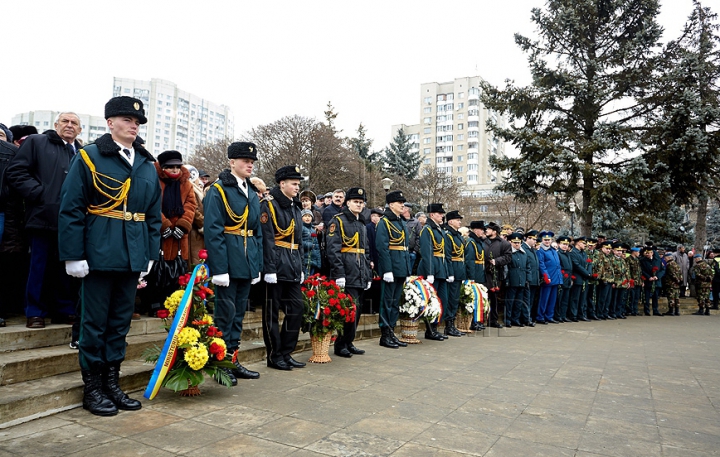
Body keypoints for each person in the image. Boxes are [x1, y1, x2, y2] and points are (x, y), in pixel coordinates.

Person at [58, 96, 161, 416]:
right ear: (110, 123)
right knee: (94, 325)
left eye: (138, 122)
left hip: (132, 256)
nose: (134, 125)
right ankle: (93, 388)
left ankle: (112, 384)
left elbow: (152, 215)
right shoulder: (90, 157)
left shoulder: (145, 162)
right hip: (99, 254)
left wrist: (149, 256)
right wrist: (73, 255)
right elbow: (71, 209)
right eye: (127, 120)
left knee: (118, 325)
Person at [7, 112, 83, 328]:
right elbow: (16, 172)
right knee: (38, 266)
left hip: (72, 222)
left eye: (74, 123)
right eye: (65, 121)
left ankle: (63, 309)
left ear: (80, 130)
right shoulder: (37, 142)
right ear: (56, 124)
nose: (69, 125)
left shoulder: (83, 153)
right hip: (42, 216)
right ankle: (34, 312)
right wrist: (40, 193)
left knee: (66, 267)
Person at [203, 141, 263, 385]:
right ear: (231, 162)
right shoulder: (219, 190)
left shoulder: (250, 191)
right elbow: (213, 231)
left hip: (246, 262)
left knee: (238, 316)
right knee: (224, 316)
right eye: (244, 161)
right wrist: (219, 268)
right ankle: (220, 364)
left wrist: (256, 265)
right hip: (228, 262)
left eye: (251, 162)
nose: (249, 165)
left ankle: (232, 359)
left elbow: (256, 232)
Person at [261, 165, 305, 370]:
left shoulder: (295, 207)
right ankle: (274, 355)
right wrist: (269, 269)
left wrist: (301, 266)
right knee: (271, 314)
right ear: (282, 184)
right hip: (276, 265)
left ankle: (286, 352)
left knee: (297, 308)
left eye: (298, 184)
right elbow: (268, 239)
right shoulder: (269, 205)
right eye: (294, 184)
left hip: (293, 265)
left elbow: (299, 241)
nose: (297, 188)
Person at [143, 150, 197, 316]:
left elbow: (191, 205)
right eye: (170, 167)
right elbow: (150, 203)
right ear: (162, 167)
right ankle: (152, 304)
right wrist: (163, 224)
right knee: (156, 271)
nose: (174, 170)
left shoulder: (186, 184)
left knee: (176, 271)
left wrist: (183, 225)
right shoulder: (153, 179)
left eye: (177, 166)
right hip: (159, 233)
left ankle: (171, 304)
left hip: (179, 236)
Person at [326, 187, 372, 357]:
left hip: (360, 272)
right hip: (347, 272)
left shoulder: (362, 223)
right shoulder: (337, 221)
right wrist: (339, 274)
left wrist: (367, 274)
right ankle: (340, 344)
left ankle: (349, 341)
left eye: (361, 202)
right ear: (348, 203)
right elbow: (333, 250)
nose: (359, 205)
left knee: (357, 310)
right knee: (347, 310)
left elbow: (365, 251)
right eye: (355, 202)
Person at [375, 190, 413, 347]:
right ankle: (385, 334)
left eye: (403, 202)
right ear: (391, 205)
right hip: (391, 268)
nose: (402, 205)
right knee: (387, 302)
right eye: (399, 202)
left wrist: (407, 270)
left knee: (395, 302)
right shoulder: (385, 222)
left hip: (401, 267)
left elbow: (405, 248)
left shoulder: (401, 222)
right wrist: (387, 270)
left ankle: (392, 331)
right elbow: (382, 248)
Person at [418, 203, 450, 339]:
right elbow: (427, 252)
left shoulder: (438, 229)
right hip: (432, 269)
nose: (442, 216)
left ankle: (435, 327)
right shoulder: (428, 229)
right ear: (432, 215)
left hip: (441, 268)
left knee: (442, 300)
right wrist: (430, 272)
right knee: (432, 300)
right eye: (439, 213)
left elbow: (444, 253)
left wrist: (447, 272)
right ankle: (430, 330)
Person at [483, 222, 512, 328]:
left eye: (488, 229)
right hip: (483, 272)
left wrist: (496, 261)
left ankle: (493, 320)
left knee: (493, 297)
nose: (486, 231)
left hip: (495, 274)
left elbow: (508, 257)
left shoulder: (504, 243)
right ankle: (481, 320)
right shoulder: (483, 241)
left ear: (494, 231)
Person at [443, 210, 466, 336]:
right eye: (457, 220)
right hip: (453, 270)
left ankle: (452, 324)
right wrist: (450, 273)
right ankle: (448, 325)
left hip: (459, 270)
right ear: (450, 221)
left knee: (455, 299)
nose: (460, 222)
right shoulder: (448, 235)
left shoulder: (457, 235)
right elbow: (448, 255)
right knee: (451, 299)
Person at [536, 231, 562, 324]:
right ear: (542, 240)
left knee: (552, 299)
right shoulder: (540, 251)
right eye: (545, 240)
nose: (547, 241)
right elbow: (541, 265)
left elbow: (557, 264)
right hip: (548, 278)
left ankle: (549, 316)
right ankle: (540, 316)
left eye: (549, 240)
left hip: (555, 277)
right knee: (544, 298)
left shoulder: (553, 250)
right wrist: (546, 276)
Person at [465, 221, 487, 330]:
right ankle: (473, 322)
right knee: (474, 298)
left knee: (479, 298)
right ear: (475, 230)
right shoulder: (471, 242)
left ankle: (478, 320)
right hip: (475, 274)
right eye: (482, 229)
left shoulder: (478, 242)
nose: (483, 232)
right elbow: (470, 261)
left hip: (480, 273)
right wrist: (471, 276)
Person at [505, 232, 530, 327]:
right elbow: (506, 268)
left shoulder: (524, 254)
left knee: (519, 302)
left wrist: (528, 279)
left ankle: (516, 319)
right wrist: (507, 280)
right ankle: (508, 320)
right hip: (512, 280)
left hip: (522, 281)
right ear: (511, 242)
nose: (517, 244)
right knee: (510, 302)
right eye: (515, 242)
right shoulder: (509, 253)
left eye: (518, 242)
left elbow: (528, 267)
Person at [568, 236, 591, 322]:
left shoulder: (584, 253)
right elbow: (576, 265)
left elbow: (589, 263)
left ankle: (581, 314)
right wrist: (586, 273)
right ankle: (573, 315)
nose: (585, 245)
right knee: (575, 298)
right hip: (577, 278)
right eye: (584, 243)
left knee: (583, 298)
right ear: (578, 243)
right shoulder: (573, 252)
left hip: (585, 279)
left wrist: (589, 273)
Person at [639, 246, 664, 316]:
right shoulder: (642, 260)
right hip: (648, 281)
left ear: (652, 253)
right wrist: (648, 277)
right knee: (646, 297)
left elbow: (662, 269)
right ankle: (646, 310)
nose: (647, 254)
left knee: (655, 296)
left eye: (648, 253)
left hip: (656, 281)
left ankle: (655, 310)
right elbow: (642, 270)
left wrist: (657, 276)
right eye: (646, 253)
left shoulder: (657, 260)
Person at [522, 230, 540, 326]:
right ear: (527, 238)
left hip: (534, 279)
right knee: (527, 301)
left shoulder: (532, 249)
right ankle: (526, 319)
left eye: (535, 239)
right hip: (528, 279)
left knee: (531, 300)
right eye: (533, 239)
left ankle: (529, 318)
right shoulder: (524, 248)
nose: (535, 241)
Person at [554, 236, 573, 323]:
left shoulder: (568, 254)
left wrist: (571, 278)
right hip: (561, 278)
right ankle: (558, 315)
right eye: (563, 244)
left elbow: (570, 268)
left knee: (565, 299)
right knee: (559, 299)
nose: (565, 246)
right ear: (559, 244)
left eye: (566, 244)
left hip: (568, 278)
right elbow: (559, 267)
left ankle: (563, 315)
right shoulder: (558, 254)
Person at [609, 242, 629, 319]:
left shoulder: (623, 260)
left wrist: (628, 281)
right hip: (615, 282)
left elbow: (626, 271)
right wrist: (613, 281)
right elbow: (610, 271)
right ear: (613, 251)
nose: (619, 252)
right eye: (617, 251)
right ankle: (612, 312)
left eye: (621, 251)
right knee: (614, 298)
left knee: (621, 298)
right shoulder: (611, 259)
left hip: (623, 282)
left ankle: (619, 312)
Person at [301, 209, 321, 277]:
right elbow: (299, 242)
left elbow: (317, 247)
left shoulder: (313, 230)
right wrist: (308, 245)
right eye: (305, 216)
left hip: (313, 261)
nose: (307, 218)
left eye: (309, 216)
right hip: (305, 261)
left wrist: (318, 262)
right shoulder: (301, 228)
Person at [662, 251, 682, 316]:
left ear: (668, 258)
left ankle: (671, 311)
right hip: (677, 284)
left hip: (671, 283)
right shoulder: (675, 264)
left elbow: (672, 274)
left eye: (665, 258)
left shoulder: (669, 264)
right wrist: (680, 281)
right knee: (676, 297)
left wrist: (676, 280)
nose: (664, 259)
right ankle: (677, 311)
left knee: (671, 297)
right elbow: (680, 273)